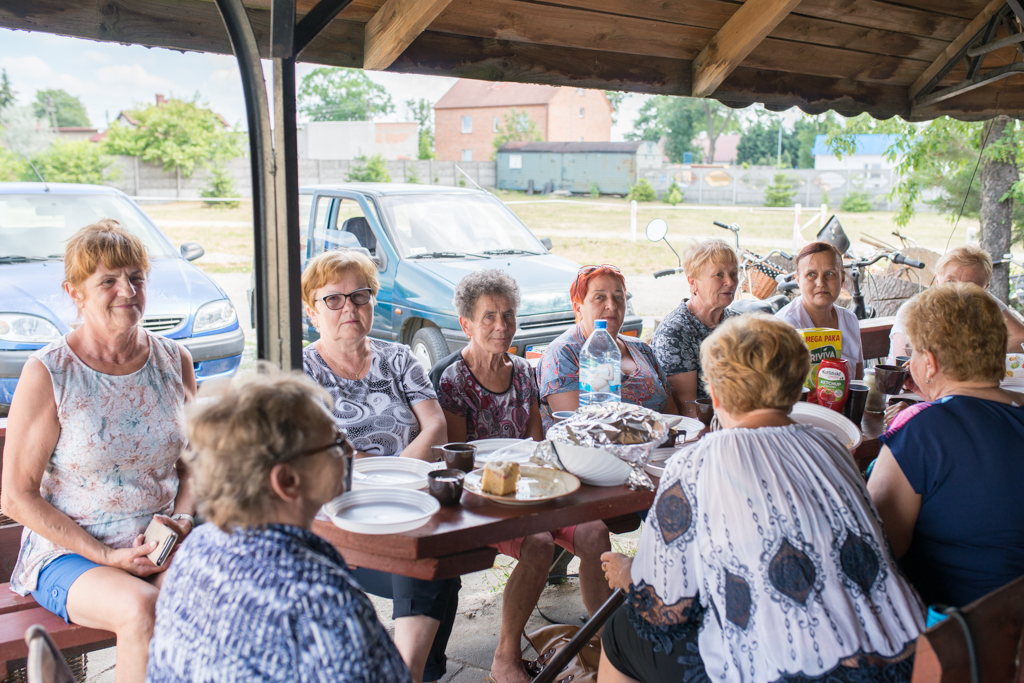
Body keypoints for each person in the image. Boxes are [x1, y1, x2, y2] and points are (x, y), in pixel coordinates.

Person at [598, 314, 924, 683]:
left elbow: (665, 610)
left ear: (716, 395)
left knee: (622, 630)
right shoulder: (832, 447)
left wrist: (629, 577)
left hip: (796, 671)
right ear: (798, 383)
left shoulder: (694, 463)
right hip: (907, 657)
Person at [1, 220, 197, 683]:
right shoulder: (50, 371)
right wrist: (108, 557)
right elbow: (15, 496)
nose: (126, 290)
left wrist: (183, 520)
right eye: (107, 280)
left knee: (209, 596)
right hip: (71, 555)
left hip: (160, 545)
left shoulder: (175, 361)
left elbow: (195, 464)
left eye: (136, 277)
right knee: (141, 608)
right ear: (76, 292)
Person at [147, 372, 411, 681]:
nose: (351, 451)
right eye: (337, 443)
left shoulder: (197, 549)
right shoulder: (322, 600)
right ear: (287, 481)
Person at [432, 270, 611, 683]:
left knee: (595, 532)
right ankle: (505, 656)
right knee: (536, 545)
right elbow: (458, 460)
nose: (501, 326)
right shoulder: (455, 380)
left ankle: (602, 643)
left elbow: (537, 444)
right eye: (489, 317)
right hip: (485, 499)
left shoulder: (524, 372)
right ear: (466, 325)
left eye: (508, 316)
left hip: (532, 489)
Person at [301, 250, 455, 683]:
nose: (349, 307)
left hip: (412, 506)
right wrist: (401, 479)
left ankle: (415, 672)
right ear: (312, 312)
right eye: (333, 299)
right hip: (341, 519)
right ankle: (416, 673)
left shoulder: (400, 357)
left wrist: (398, 481)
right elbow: (334, 456)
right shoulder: (302, 372)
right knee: (430, 567)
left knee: (437, 562)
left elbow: (436, 426)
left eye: (359, 295)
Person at [868, 283, 1024, 615]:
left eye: (914, 352)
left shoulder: (921, 431)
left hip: (956, 642)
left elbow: (874, 550)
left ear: (931, 363)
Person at [539, 264, 675, 430]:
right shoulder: (563, 353)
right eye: (599, 297)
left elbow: (672, 415)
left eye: (619, 297)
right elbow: (579, 428)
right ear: (578, 308)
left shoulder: (642, 349)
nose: (612, 305)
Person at [887, 245, 1024, 363]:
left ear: (983, 288)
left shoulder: (983, 300)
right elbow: (903, 362)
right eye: (950, 281)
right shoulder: (913, 309)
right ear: (937, 280)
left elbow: (1021, 337)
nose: (957, 290)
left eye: (969, 285)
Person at [650, 238, 738, 405]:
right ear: (693, 283)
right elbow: (688, 408)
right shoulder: (675, 332)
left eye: (733, 273)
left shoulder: (737, 322)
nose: (730, 282)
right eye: (719, 274)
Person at [776, 241, 864, 379]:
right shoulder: (785, 326)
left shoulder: (850, 320)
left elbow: (858, 381)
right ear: (798, 280)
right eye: (811, 274)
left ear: (841, 279)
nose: (821, 283)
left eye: (829, 273)